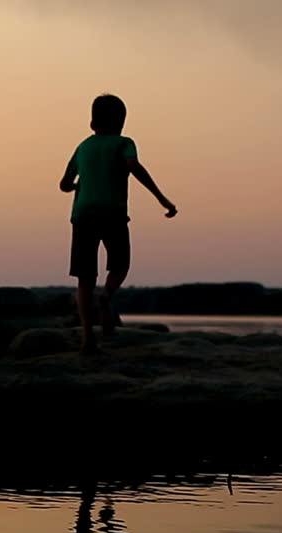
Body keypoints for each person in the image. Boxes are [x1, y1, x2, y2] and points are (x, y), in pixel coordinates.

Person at [60, 94, 177, 353]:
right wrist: (162, 199)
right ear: (122, 122)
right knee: (121, 264)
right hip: (113, 214)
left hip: (83, 215)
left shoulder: (82, 147)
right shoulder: (125, 143)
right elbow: (134, 166)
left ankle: (88, 338)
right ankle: (106, 296)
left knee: (84, 278)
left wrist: (81, 185)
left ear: (92, 123)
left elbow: (63, 185)